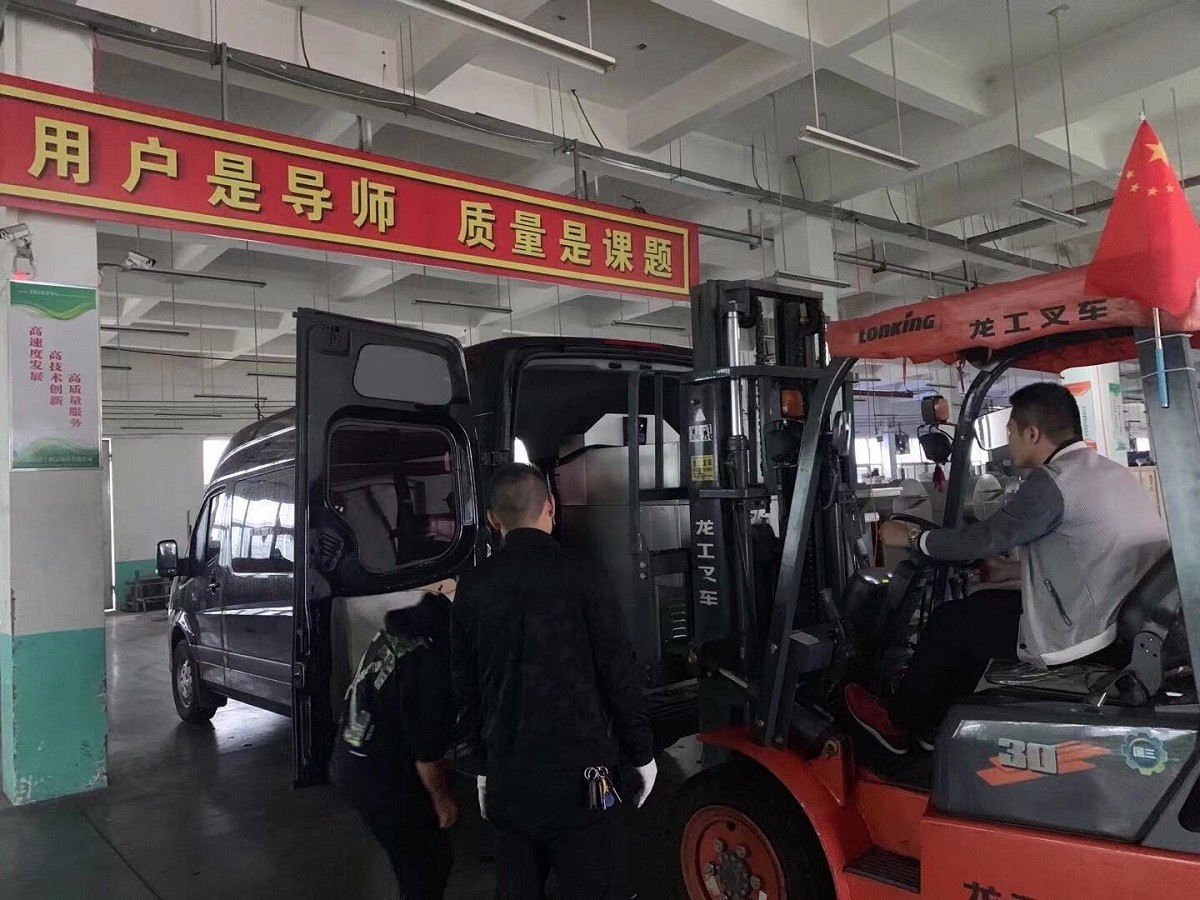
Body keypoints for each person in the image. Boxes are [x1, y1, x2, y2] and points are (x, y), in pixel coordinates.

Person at [846, 382, 1169, 755]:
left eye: (1011, 433)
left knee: (950, 622)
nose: (1008, 443)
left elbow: (982, 539)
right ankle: (941, 722)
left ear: (1032, 433)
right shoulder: (1109, 472)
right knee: (977, 612)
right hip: (1115, 618)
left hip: (1087, 633)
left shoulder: (1053, 482)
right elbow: (1092, 555)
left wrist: (913, 538)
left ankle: (900, 725)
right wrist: (1010, 571)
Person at [451, 463, 657, 900]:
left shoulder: (472, 586)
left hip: (509, 779)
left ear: (493, 519)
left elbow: (465, 685)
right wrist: (641, 752)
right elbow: (617, 672)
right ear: (551, 506)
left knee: (517, 888)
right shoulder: (584, 574)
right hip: (583, 782)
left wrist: (483, 769)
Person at [330, 592, 459, 899]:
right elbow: (426, 753)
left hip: (349, 760)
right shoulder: (429, 661)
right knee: (427, 866)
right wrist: (443, 799)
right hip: (380, 776)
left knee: (417, 859)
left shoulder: (388, 639)